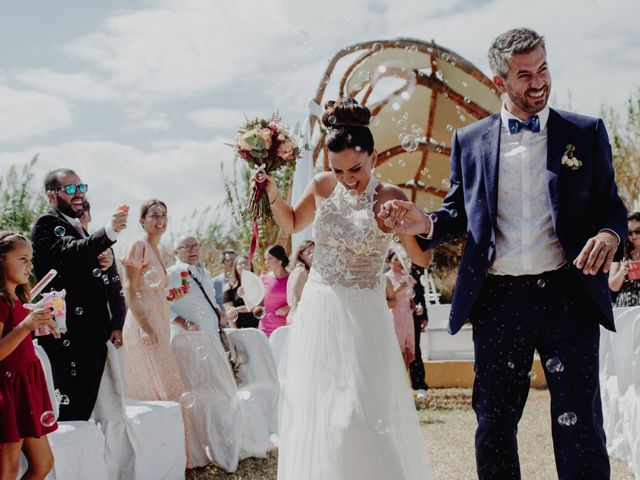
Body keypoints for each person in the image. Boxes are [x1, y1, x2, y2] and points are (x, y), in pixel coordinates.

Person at [380, 28, 627, 479]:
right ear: (499, 82)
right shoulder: (471, 141)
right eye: (524, 75)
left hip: (567, 297)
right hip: (499, 302)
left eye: (543, 69)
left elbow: (611, 207)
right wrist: (427, 223)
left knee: (580, 425)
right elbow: (459, 213)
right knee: (493, 423)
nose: (538, 82)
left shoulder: (586, 132)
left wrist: (611, 234)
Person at [264, 98, 433, 479]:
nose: (348, 178)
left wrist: (405, 229)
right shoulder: (323, 186)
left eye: (355, 168)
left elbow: (422, 261)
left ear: (373, 156)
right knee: (321, 414)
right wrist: (274, 192)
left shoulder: (391, 197)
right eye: (339, 170)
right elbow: (291, 222)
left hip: (363, 314)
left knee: (359, 414)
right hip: (319, 308)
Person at [31, 168, 128, 420]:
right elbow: (70, 252)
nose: (79, 194)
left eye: (81, 187)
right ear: (52, 196)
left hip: (92, 334)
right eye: (70, 189)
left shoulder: (78, 228)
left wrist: (103, 265)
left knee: (83, 410)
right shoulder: (48, 223)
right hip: (68, 335)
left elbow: (88, 270)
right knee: (67, 410)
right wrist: (109, 232)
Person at [0, 232, 58, 480]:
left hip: (27, 386)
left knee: (43, 463)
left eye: (31, 260)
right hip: (9, 389)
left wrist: (42, 324)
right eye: (22, 258)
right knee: (8, 470)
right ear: (1, 261)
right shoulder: (1, 302)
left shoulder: (21, 298)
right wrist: (25, 326)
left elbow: (22, 339)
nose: (29, 265)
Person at [167, 235, 238, 374]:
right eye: (186, 247)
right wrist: (180, 321)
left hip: (211, 336)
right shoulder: (173, 274)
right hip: (189, 341)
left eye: (195, 246)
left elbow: (209, 300)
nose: (192, 250)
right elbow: (158, 304)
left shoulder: (205, 273)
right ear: (176, 253)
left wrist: (218, 312)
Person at [80, 201, 125, 348]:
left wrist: (118, 325)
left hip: (99, 324)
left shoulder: (105, 248)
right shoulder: (63, 247)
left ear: (90, 217)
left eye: (81, 213)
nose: (77, 218)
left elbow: (115, 290)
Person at [384, 249, 417, 369]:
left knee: (409, 346)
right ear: (389, 261)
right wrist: (398, 288)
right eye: (395, 259)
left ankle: (405, 379)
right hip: (394, 315)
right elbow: (387, 298)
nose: (398, 262)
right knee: (397, 346)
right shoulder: (386, 277)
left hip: (407, 315)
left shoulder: (406, 276)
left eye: (400, 259)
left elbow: (410, 296)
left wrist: (415, 306)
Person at [609, 212, 640, 307]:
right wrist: (621, 272)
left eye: (638, 231)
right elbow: (613, 286)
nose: (634, 236)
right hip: (625, 306)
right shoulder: (620, 252)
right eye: (629, 232)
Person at [260, 244, 289, 337]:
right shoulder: (263, 278)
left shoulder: (291, 278)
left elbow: (302, 300)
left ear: (280, 260)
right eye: (265, 259)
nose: (266, 262)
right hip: (265, 327)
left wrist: (288, 307)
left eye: (270, 259)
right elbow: (254, 303)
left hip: (285, 328)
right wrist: (244, 293)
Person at [409, 263, 429, 395]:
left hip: (413, 318)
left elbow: (420, 294)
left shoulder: (414, 270)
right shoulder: (386, 273)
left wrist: (424, 314)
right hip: (395, 318)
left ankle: (419, 385)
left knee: (415, 350)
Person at [223, 255, 259, 329]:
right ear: (235, 267)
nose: (243, 265)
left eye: (246, 263)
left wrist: (237, 309)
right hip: (240, 328)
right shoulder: (229, 287)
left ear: (251, 266)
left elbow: (257, 307)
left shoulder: (257, 284)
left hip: (258, 327)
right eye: (240, 264)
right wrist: (235, 331)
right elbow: (230, 312)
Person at [286, 240, 314, 323]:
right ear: (301, 255)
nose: (313, 255)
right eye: (309, 253)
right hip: (301, 316)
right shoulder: (301, 271)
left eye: (315, 252)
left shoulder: (307, 271)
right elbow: (296, 296)